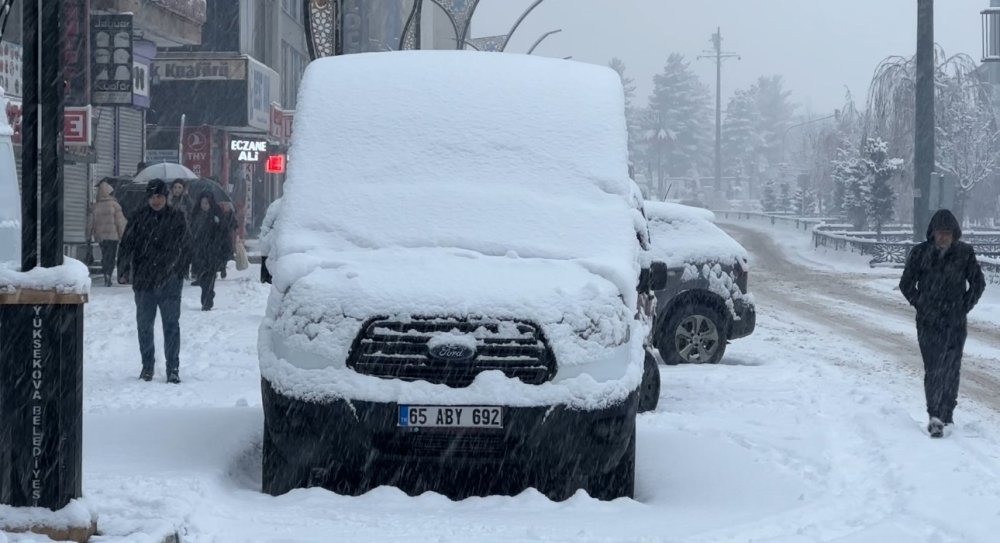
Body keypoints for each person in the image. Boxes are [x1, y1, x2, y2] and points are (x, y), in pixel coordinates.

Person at [899, 209, 986, 438]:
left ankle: (948, 414)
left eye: (947, 233)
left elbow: (978, 283)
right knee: (934, 368)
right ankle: (935, 416)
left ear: (954, 233)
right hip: (928, 323)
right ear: (932, 233)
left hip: (955, 322)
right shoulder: (920, 253)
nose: (943, 237)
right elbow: (906, 283)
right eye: (939, 233)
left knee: (952, 369)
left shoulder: (964, 253)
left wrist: (963, 306)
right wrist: (921, 304)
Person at [117, 179, 192, 384]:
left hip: (170, 281)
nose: (156, 200)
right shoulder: (138, 218)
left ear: (166, 197)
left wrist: (180, 270)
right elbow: (126, 246)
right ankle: (147, 366)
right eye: (152, 196)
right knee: (144, 325)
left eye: (159, 196)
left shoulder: (177, 218)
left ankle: (173, 368)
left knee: (171, 325)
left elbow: (186, 246)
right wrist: (123, 270)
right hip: (144, 281)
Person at [189, 190, 227, 311]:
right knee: (203, 277)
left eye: (207, 203)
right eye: (203, 202)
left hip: (212, 253)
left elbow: (223, 233)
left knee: (210, 277)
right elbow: (191, 232)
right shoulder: (195, 215)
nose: (205, 205)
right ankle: (207, 295)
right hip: (199, 252)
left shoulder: (217, 215)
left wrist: (217, 224)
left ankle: (207, 300)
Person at [87, 179, 127, 287]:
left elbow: (90, 223)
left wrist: (88, 235)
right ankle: (109, 272)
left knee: (104, 255)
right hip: (113, 236)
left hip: (100, 236)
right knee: (112, 255)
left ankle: (106, 273)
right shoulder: (114, 205)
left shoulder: (95, 206)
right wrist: (123, 235)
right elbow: (120, 222)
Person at [218, 201, 237, 279]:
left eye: (226, 205)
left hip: (226, 237)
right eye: (223, 205)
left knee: (224, 254)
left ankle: (223, 268)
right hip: (219, 237)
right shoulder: (218, 212)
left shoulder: (231, 214)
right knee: (219, 254)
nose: (224, 206)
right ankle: (220, 268)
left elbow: (235, 225)